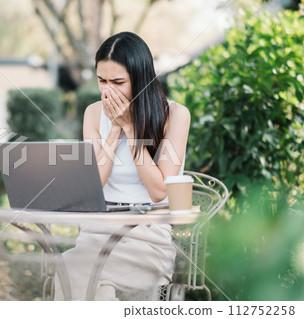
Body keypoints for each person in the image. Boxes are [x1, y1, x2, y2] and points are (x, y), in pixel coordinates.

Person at [54, 31, 191, 300]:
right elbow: (94, 185)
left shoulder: (174, 115)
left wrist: (130, 128)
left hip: (147, 237)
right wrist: (114, 129)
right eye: (101, 81)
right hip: (97, 233)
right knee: (71, 268)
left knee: (81, 271)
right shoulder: (93, 113)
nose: (108, 90)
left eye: (118, 82)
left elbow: (159, 190)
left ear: (141, 79)